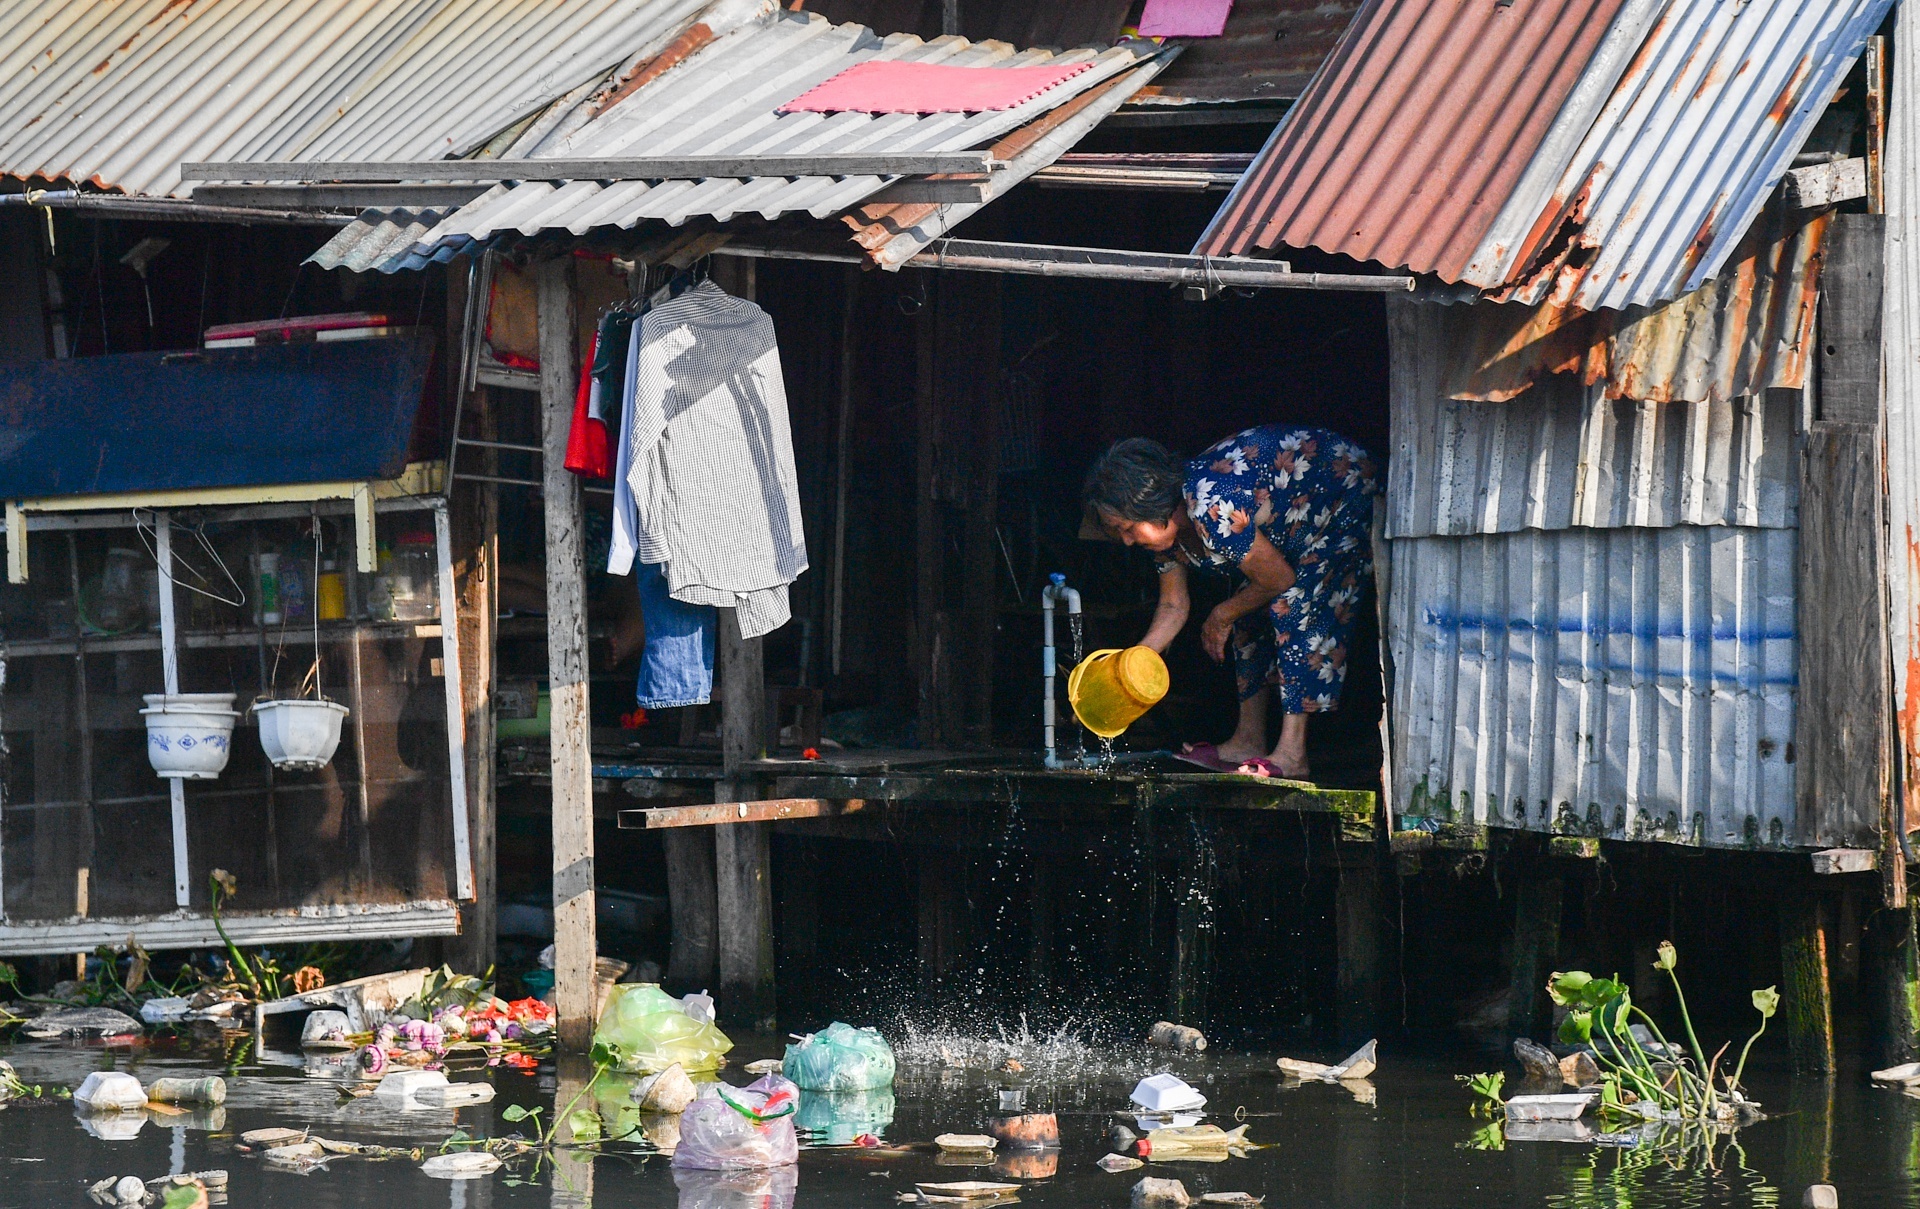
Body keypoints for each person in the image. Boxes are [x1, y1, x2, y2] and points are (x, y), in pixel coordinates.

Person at [1084, 426, 1378, 780]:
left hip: (1341, 489)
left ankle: (1292, 753)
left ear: (1150, 503)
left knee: (1292, 601)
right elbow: (1173, 606)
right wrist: (1131, 666)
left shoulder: (1211, 505)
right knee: (1246, 609)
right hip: (1290, 524)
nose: (1128, 542)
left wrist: (1221, 615)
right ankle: (1248, 740)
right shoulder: (1166, 539)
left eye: (1128, 528)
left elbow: (1279, 579)